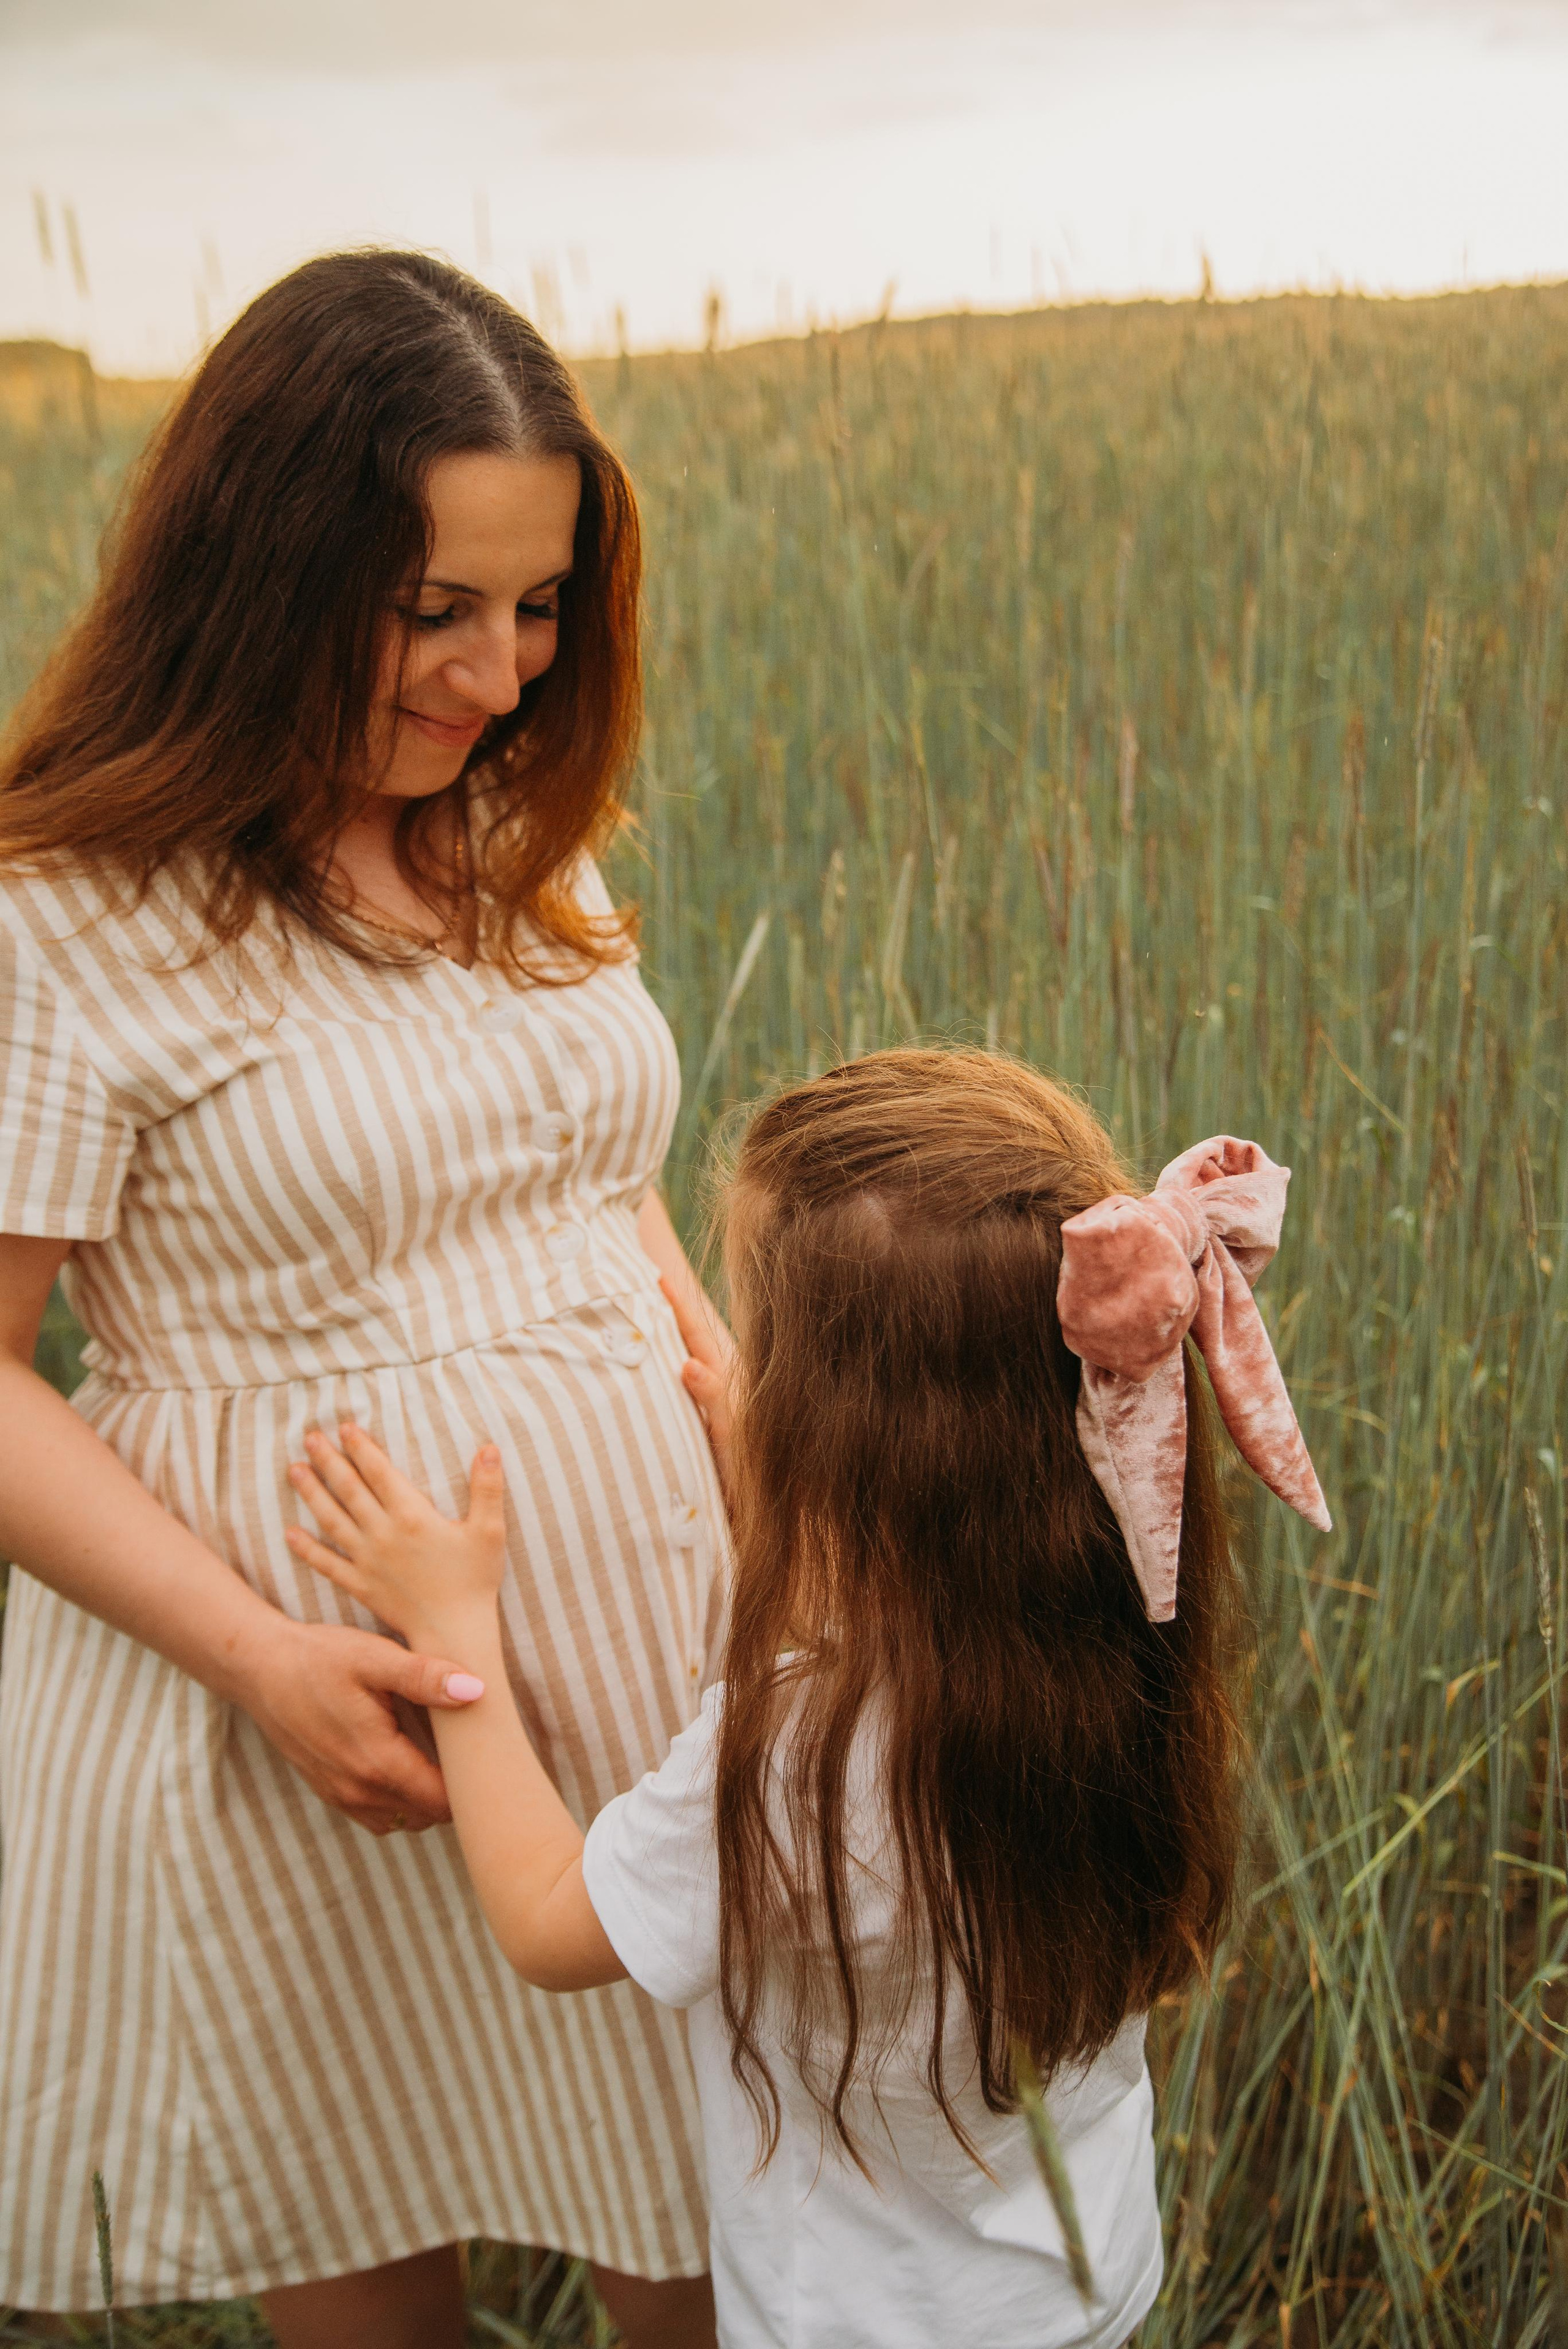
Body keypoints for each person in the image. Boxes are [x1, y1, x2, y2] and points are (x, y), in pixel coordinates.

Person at [0, 251, 726, 2347]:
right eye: (434, 609)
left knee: (715, 2246)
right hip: (326, 1695)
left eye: (540, 603)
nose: (498, 673)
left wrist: (766, 1454)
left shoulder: (517, 837)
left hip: (653, 1662)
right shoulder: (67, 917)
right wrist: (261, 1660)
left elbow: (604, 1181)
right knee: (363, 2216)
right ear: (263, 573)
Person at [283, 1048, 1332, 2349]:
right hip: (1079, 2281)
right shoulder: (1117, 1615)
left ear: (838, 1437)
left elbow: (549, 1927)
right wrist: (778, 1486)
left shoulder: (801, 1749)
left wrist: (456, 1640)